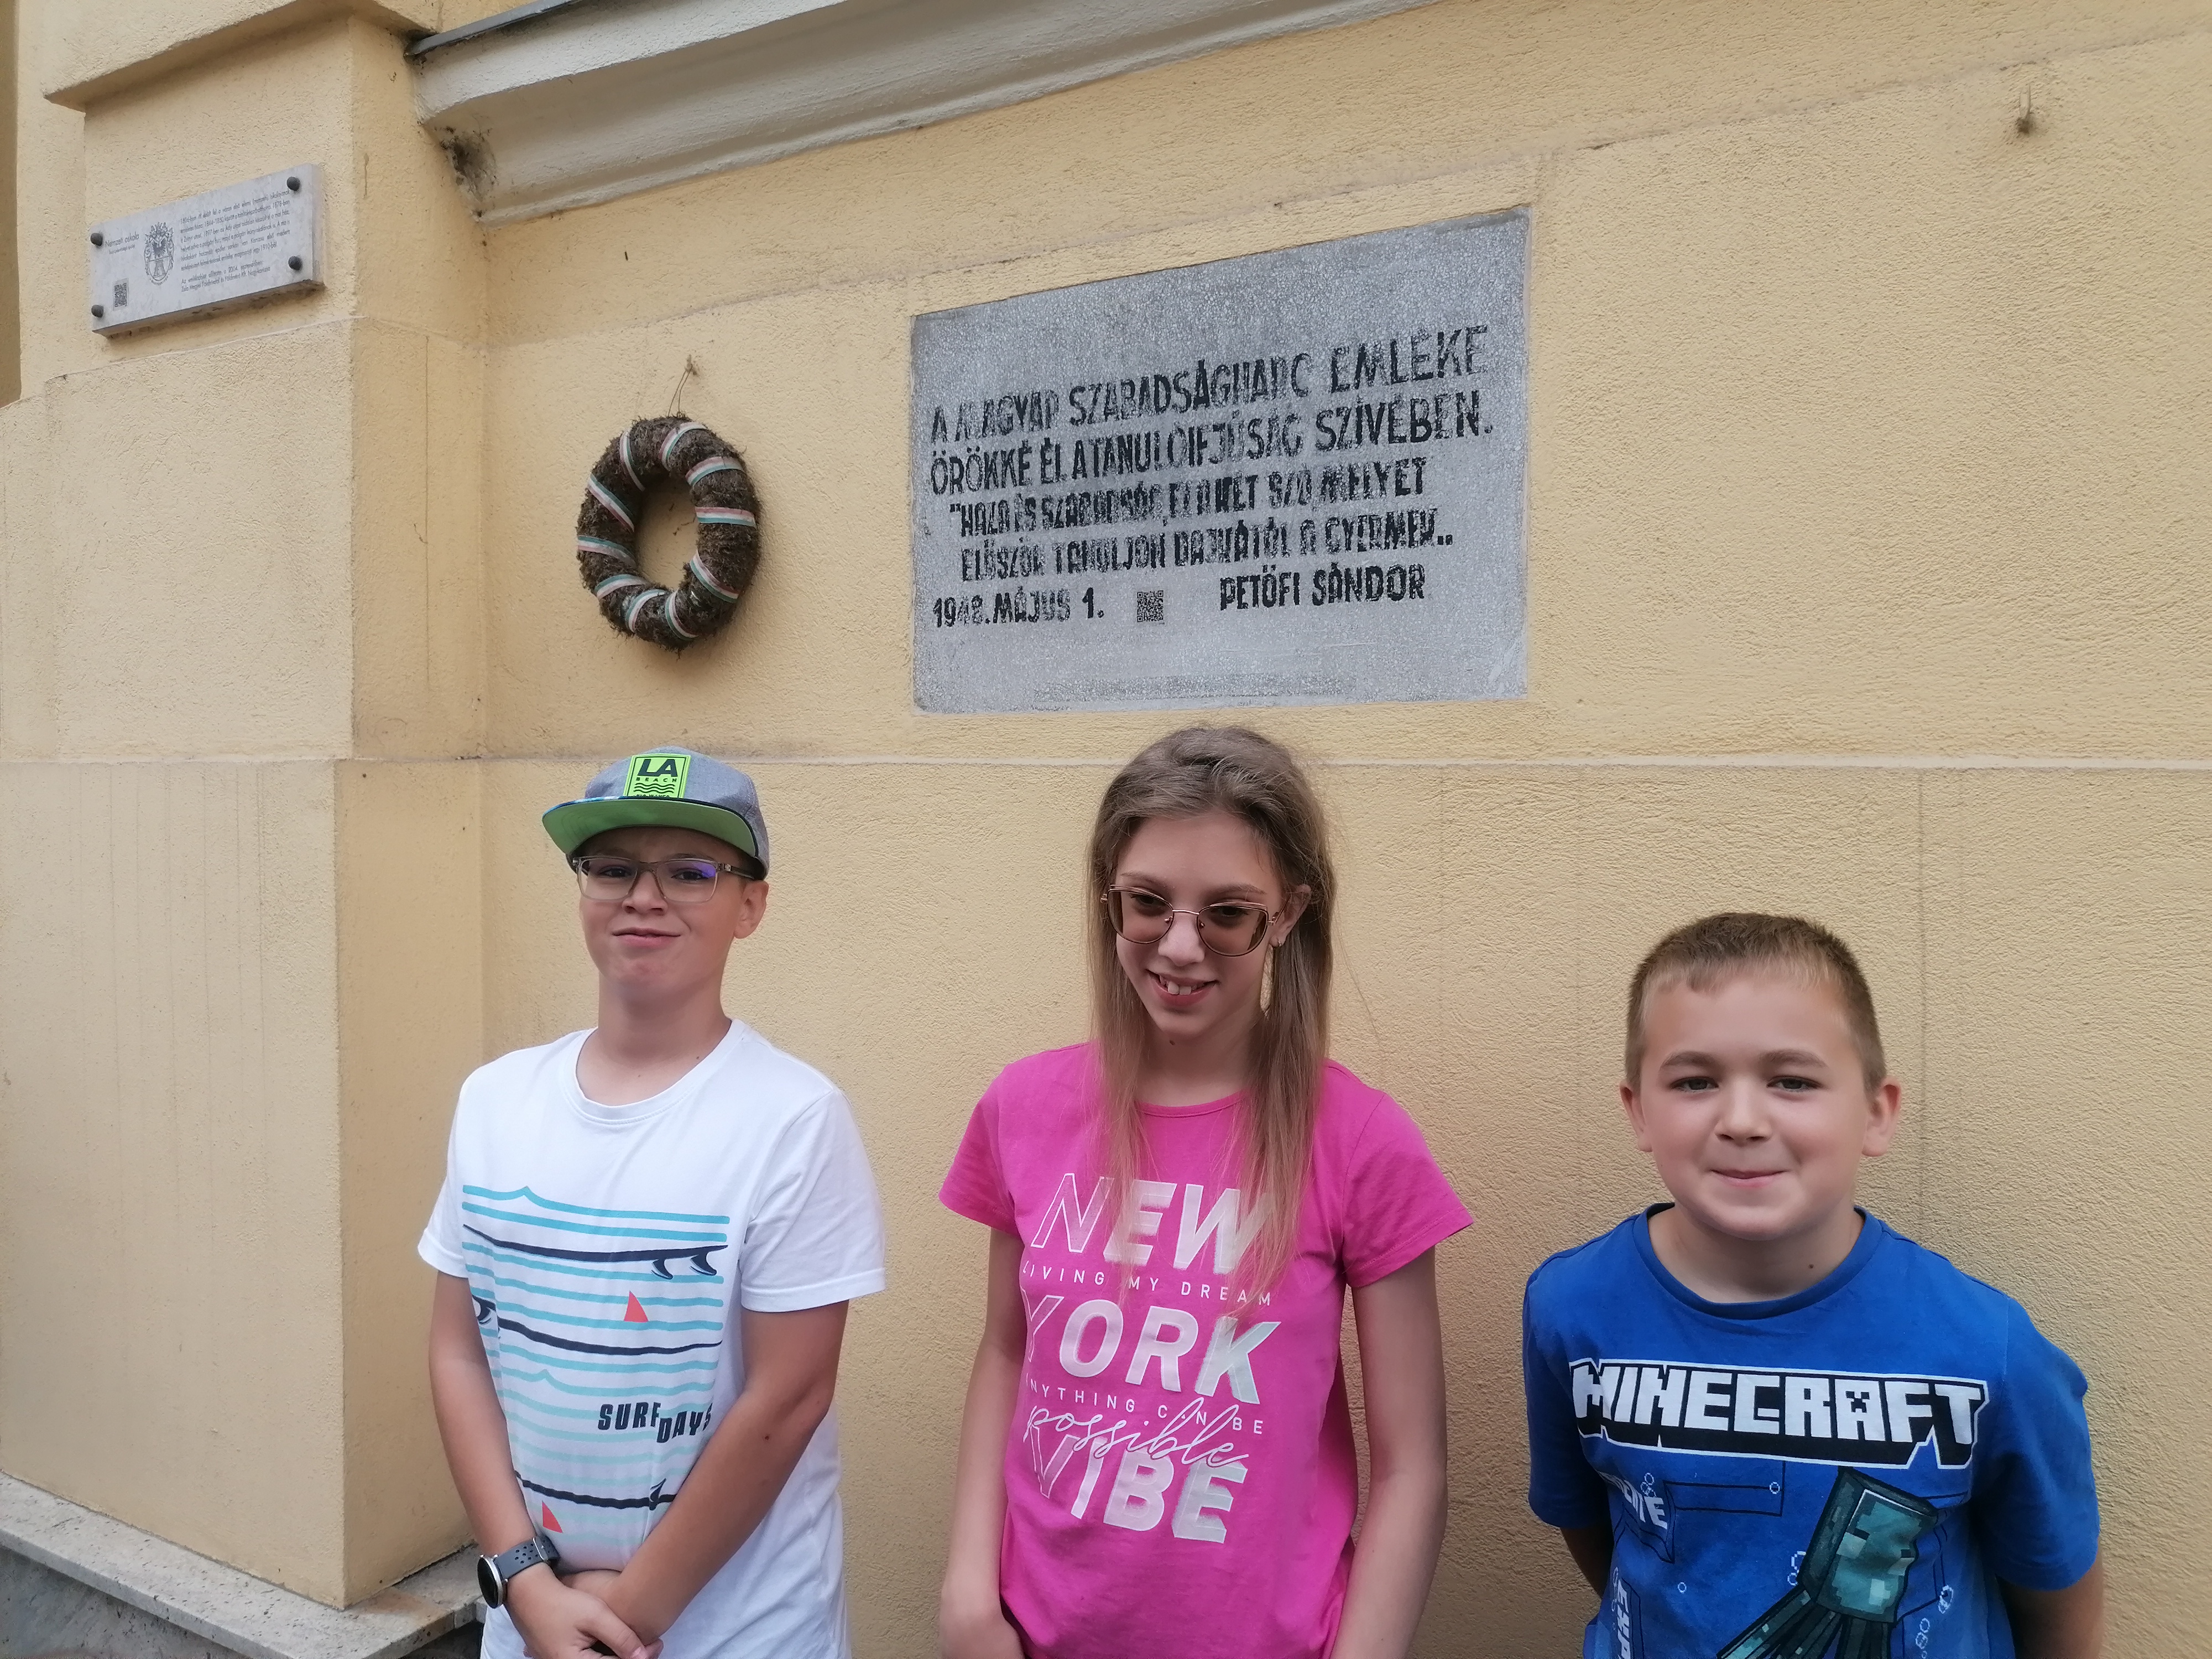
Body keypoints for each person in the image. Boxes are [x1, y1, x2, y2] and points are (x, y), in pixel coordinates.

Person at [937, 726, 1470, 1659]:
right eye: (1149, 903)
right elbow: (1006, 1352)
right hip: (1034, 1633)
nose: (1181, 947)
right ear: (1109, 896)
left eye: (1227, 914)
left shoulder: (1359, 1140)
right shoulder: (1023, 1107)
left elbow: (1413, 1467)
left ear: (1288, 913)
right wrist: (969, 1595)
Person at [1523, 912, 2104, 1659]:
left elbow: (2056, 1596)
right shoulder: (1570, 1307)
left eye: (1792, 1081)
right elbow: (1594, 1529)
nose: (1741, 1120)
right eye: (1695, 1081)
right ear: (1639, 1111)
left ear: (1875, 1113)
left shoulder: (1989, 1350)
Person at [422, 748, 885, 1659]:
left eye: (690, 871)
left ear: (750, 905)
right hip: (534, 1621)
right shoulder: (494, 1101)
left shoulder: (793, 1117)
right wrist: (525, 1583)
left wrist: (622, 1622)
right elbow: (459, 1353)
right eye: (612, 867)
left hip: (735, 1631)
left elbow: (789, 1398)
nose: (644, 897)